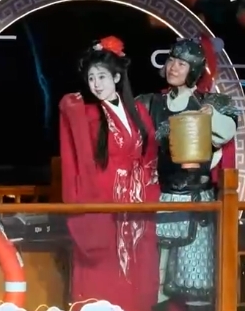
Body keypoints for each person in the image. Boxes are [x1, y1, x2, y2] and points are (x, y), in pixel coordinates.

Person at [59, 36, 160, 311]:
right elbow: (77, 160)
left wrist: (148, 192)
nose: (96, 84)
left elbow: (150, 154)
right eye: (91, 78)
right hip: (104, 202)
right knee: (103, 275)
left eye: (102, 77)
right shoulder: (86, 114)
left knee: (140, 271)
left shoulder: (138, 111)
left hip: (137, 203)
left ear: (116, 77)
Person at [137, 35, 238, 311]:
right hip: (160, 199)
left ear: (194, 70)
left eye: (182, 63)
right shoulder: (150, 103)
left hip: (196, 202)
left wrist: (210, 115)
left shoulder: (211, 103)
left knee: (195, 280)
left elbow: (226, 133)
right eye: (172, 60)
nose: (174, 67)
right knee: (154, 284)